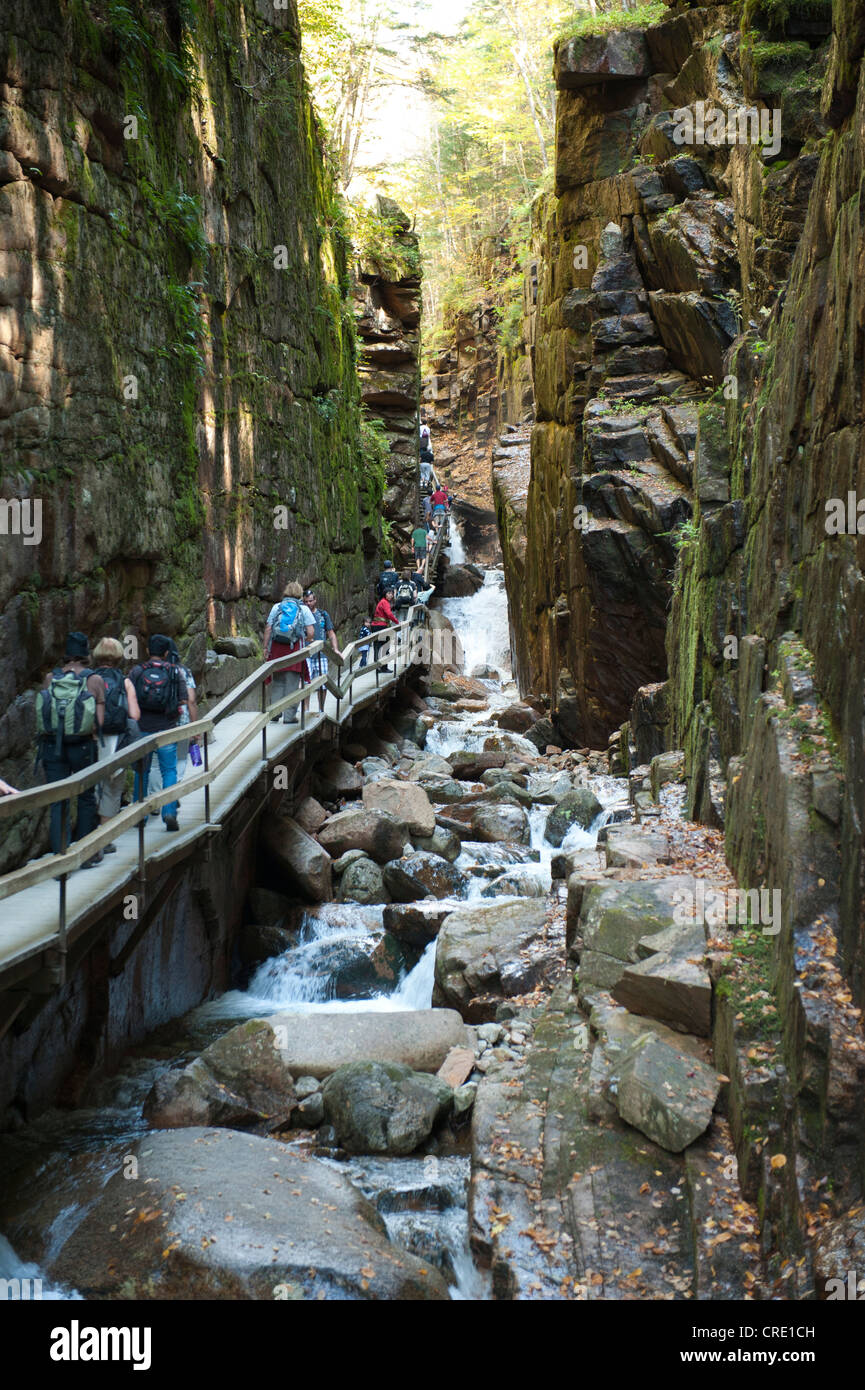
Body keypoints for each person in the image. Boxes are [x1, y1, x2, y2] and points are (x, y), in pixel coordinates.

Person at [35, 631, 106, 865]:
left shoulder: (50, 678)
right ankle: (85, 855)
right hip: (83, 746)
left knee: (58, 800)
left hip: (51, 747)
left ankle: (59, 858)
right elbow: (100, 720)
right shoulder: (93, 680)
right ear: (86, 654)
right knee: (86, 797)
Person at [129, 635, 187, 832]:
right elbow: (183, 700)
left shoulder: (137, 671)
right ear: (166, 653)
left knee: (141, 771)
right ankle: (169, 812)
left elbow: (129, 699)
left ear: (148, 651)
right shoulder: (174, 671)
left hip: (142, 729)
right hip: (166, 729)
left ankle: (140, 816)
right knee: (169, 771)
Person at [92, 636, 142, 853]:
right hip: (118, 742)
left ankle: (89, 835)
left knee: (93, 787)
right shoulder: (125, 682)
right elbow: (134, 714)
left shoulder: (89, 679)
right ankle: (104, 839)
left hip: (93, 739)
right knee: (112, 790)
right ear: (119, 656)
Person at [263, 581, 315, 724]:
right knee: (292, 684)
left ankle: (274, 713)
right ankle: (289, 716)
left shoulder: (277, 607)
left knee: (278, 681)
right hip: (294, 650)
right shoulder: (303, 609)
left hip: (277, 650)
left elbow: (268, 628)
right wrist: (307, 639)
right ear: (299, 594)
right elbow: (311, 631)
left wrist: (265, 648)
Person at [304, 588, 340, 714]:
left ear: (315, 600)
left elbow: (331, 633)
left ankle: (321, 708)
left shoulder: (323, 614)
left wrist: (335, 649)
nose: (308, 603)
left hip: (322, 654)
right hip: (306, 653)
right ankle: (306, 710)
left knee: (323, 683)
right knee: (306, 682)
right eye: (306, 601)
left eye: (311, 601)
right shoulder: (302, 615)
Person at [169, 643, 199, 780]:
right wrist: (194, 727)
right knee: (181, 758)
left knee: (158, 764)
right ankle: (175, 789)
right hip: (182, 720)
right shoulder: (184, 671)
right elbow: (191, 700)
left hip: (159, 723)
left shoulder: (154, 669)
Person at [371, 591, 397, 672]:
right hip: (381, 626)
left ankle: (377, 667)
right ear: (384, 594)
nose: (390, 595)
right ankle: (383, 668)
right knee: (385, 646)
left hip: (376, 626)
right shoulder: (385, 602)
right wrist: (397, 622)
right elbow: (389, 614)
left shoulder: (381, 601)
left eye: (392, 594)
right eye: (388, 593)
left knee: (377, 647)